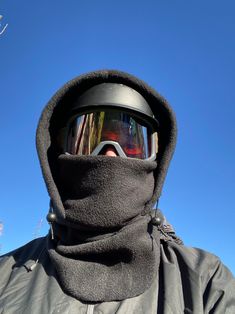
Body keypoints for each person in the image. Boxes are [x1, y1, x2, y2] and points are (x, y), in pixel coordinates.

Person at [0, 69, 234, 313]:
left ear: (157, 160)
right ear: (58, 153)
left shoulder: (204, 283)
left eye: (131, 144)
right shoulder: (5, 277)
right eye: (89, 139)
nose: (109, 154)